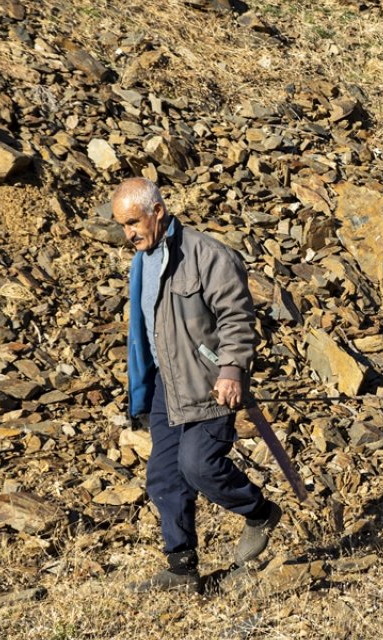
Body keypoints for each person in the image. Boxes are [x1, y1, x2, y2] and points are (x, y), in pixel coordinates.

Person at [111, 177, 282, 593]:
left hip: (206, 383)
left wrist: (231, 371)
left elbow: (237, 318)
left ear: (158, 212)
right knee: (164, 477)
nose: (128, 233)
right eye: (121, 225)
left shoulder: (208, 256)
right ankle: (182, 567)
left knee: (199, 464)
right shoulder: (142, 261)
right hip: (164, 387)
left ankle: (259, 512)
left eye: (133, 222)